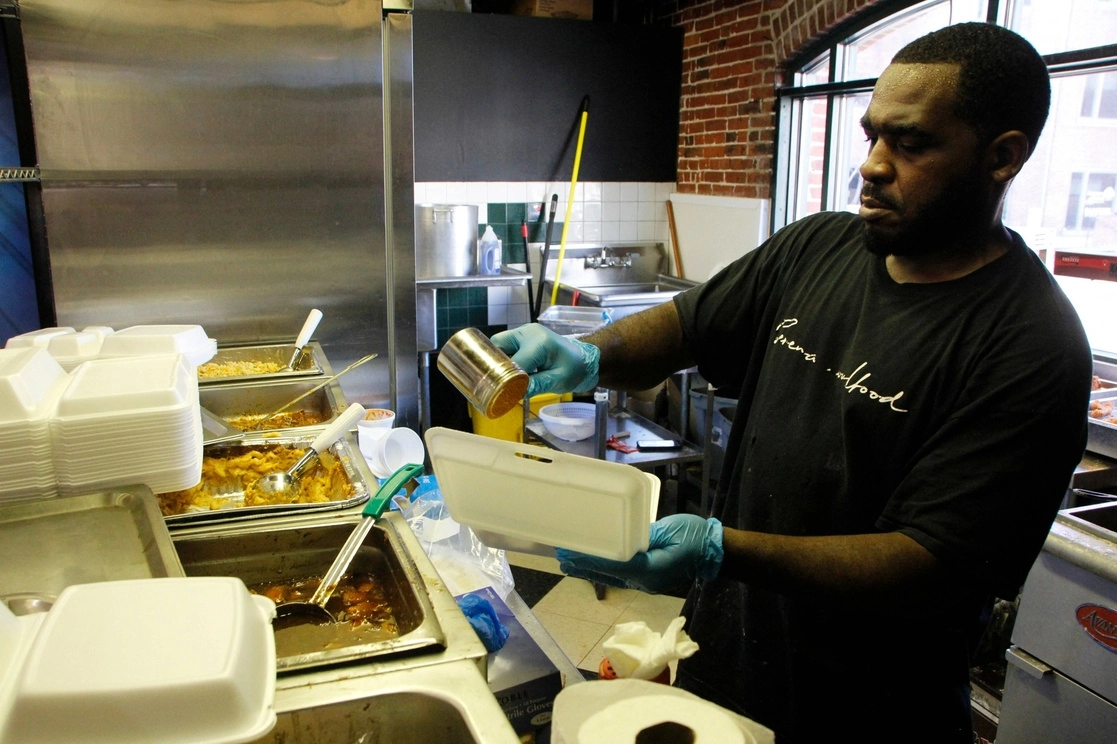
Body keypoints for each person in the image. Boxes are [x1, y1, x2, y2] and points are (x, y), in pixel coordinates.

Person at [491, 22, 1094, 743]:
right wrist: (588, 354)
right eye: (871, 135)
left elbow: (932, 562)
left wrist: (723, 549)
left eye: (909, 143)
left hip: (869, 710)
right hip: (728, 660)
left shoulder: (1030, 345)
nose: (871, 165)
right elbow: (690, 323)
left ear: (1002, 157)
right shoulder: (819, 246)